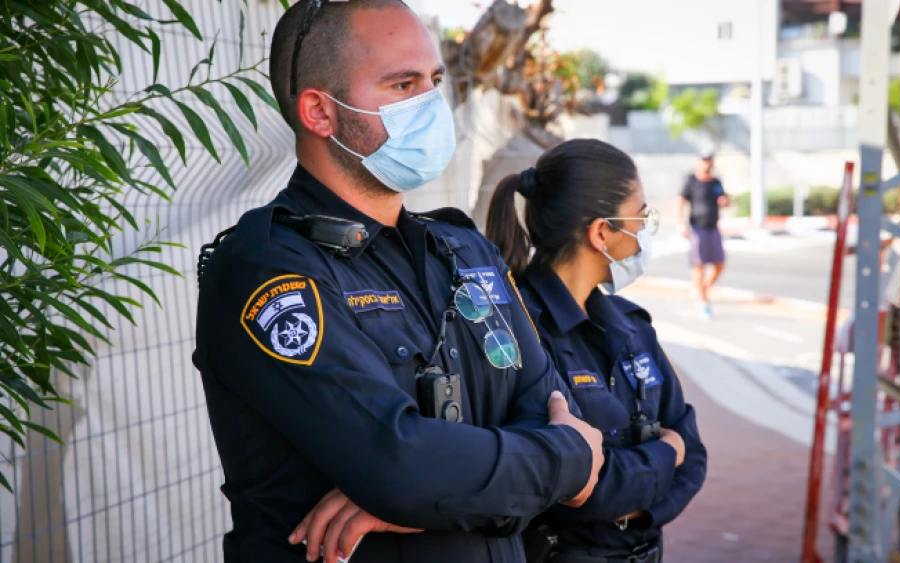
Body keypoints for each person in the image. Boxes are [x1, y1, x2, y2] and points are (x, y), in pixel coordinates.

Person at [192, 2, 605, 562]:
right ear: (319, 111)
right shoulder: (268, 268)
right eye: (403, 83)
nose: (431, 103)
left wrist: (425, 500)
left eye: (434, 81)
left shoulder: (465, 250)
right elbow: (399, 467)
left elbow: (561, 413)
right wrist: (552, 463)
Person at [486, 139, 708, 562]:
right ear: (601, 231)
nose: (644, 229)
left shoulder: (631, 326)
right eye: (641, 215)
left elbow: (693, 454)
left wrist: (640, 511)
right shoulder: (520, 331)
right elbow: (579, 489)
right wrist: (666, 452)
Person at [676, 151, 730, 319]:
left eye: (710, 160)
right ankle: (704, 302)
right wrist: (681, 224)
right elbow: (680, 202)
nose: (707, 163)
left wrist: (725, 201)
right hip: (697, 228)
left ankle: (702, 290)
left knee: (719, 263)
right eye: (704, 160)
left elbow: (724, 199)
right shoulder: (691, 180)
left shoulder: (716, 182)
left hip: (713, 227)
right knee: (699, 265)